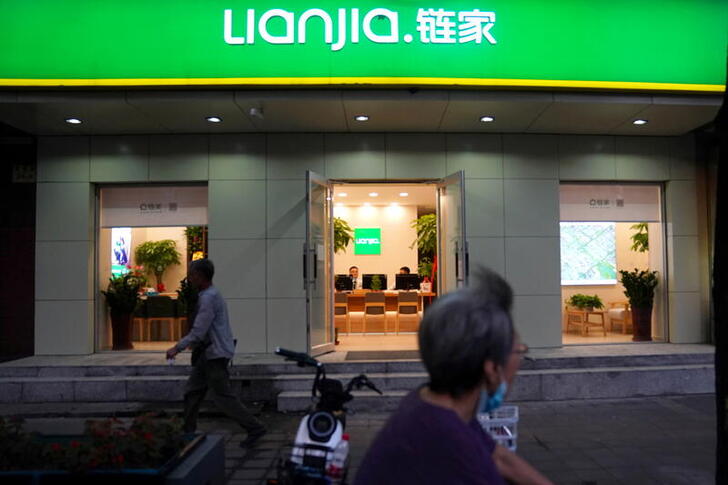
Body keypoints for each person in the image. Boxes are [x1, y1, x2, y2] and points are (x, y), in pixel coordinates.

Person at [354, 267, 553, 485]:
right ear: (491, 369)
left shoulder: (429, 402)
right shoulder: (455, 453)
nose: (521, 359)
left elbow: (499, 458)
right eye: (519, 351)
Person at [166, 259, 267, 448]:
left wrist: (177, 348)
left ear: (201, 276)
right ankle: (187, 432)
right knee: (193, 392)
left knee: (222, 396)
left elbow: (199, 330)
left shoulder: (208, 298)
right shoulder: (209, 294)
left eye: (192, 274)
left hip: (214, 353)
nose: (189, 277)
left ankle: (254, 427)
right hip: (210, 353)